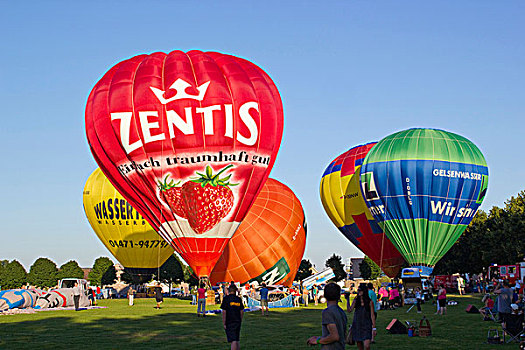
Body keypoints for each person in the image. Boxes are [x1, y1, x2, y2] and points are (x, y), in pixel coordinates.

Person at [307, 282, 347, 349]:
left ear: (325, 295)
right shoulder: (341, 311)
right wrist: (319, 338)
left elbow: (334, 336)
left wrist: (318, 341)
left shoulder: (327, 312)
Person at [347, 284, 376, 350]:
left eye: (360, 290)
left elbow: (372, 315)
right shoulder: (356, 300)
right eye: (358, 290)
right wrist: (348, 300)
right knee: (360, 346)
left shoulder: (369, 302)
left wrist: (374, 327)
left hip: (366, 325)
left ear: (364, 291)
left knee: (367, 345)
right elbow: (349, 310)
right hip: (357, 324)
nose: (358, 292)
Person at [221, 285, 244, 350]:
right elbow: (241, 311)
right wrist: (240, 319)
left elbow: (224, 312)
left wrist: (224, 322)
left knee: (233, 340)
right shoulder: (238, 299)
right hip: (237, 320)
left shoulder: (226, 299)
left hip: (229, 321)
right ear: (236, 290)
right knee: (236, 338)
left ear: (229, 290)